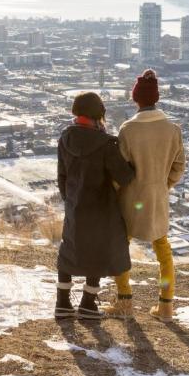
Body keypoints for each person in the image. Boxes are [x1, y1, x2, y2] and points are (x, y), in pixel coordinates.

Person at [106, 69, 185, 323]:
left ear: (135, 99)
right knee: (163, 250)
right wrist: (163, 186)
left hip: (131, 199)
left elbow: (121, 171)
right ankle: (166, 306)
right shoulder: (173, 130)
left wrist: (116, 194)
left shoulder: (128, 129)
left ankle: (124, 301)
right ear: (157, 98)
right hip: (158, 198)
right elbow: (179, 167)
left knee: (121, 247)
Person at [55, 91, 135, 320]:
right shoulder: (106, 144)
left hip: (74, 205)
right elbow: (125, 177)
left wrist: (70, 199)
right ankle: (88, 305)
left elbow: (61, 175)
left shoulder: (65, 138)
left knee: (69, 251)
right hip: (101, 209)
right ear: (98, 115)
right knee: (97, 254)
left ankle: (62, 303)